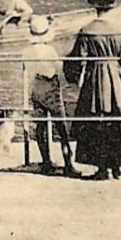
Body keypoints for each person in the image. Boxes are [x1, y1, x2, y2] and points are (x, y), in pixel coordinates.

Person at [63, 0, 121, 180]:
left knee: (95, 118)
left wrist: (73, 76)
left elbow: (76, 59)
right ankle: (118, 166)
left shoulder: (87, 30)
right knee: (117, 116)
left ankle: (102, 168)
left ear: (94, 7)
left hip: (95, 78)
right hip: (116, 78)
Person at [24, 16, 76, 176]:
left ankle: (46, 161)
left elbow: (27, 71)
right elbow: (59, 70)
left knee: (40, 126)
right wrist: (67, 84)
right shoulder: (49, 50)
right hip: (50, 85)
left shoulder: (26, 51)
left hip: (35, 85)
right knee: (60, 125)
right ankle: (68, 164)